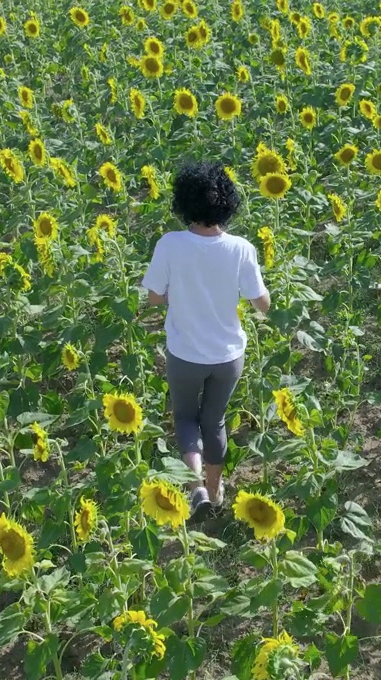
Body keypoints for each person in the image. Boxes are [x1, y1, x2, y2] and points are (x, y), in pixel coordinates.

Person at [141, 161, 272, 519]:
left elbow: (153, 297)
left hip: (185, 353)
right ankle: (215, 494)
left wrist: (177, 293)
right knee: (213, 421)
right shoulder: (241, 248)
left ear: (184, 202)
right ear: (226, 203)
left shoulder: (170, 244)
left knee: (185, 418)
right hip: (228, 355)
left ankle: (196, 487)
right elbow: (261, 303)